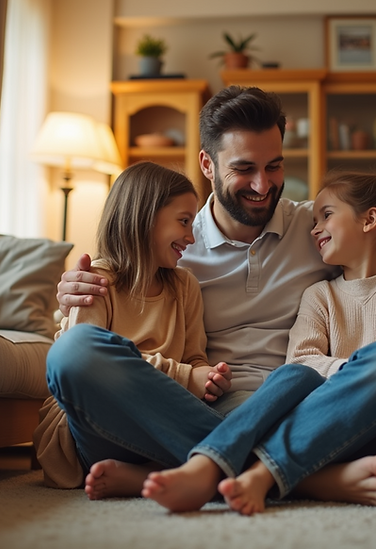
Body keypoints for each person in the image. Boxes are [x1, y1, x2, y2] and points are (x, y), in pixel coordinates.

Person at [49, 86, 376, 501]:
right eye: (243, 169)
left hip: (310, 408)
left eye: (273, 166)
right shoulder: (176, 246)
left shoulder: (314, 228)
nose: (262, 184)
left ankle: (201, 468)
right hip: (202, 411)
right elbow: (114, 301)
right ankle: (304, 479)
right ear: (207, 165)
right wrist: (71, 300)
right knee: (72, 354)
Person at [141, 173, 376, 515]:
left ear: (369, 219)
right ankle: (224, 467)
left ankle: (258, 473)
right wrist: (352, 372)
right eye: (313, 219)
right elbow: (302, 361)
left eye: (326, 215)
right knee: (290, 376)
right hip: (320, 430)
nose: (314, 229)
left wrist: (368, 379)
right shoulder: (319, 295)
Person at [35, 161, 232, 493]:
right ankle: (246, 458)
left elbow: (195, 359)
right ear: (144, 217)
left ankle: (150, 473)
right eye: (184, 221)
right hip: (95, 428)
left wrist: (209, 378)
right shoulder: (96, 282)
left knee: (287, 384)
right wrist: (186, 378)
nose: (191, 236)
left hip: (158, 425)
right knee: (76, 347)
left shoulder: (185, 286)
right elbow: (87, 370)